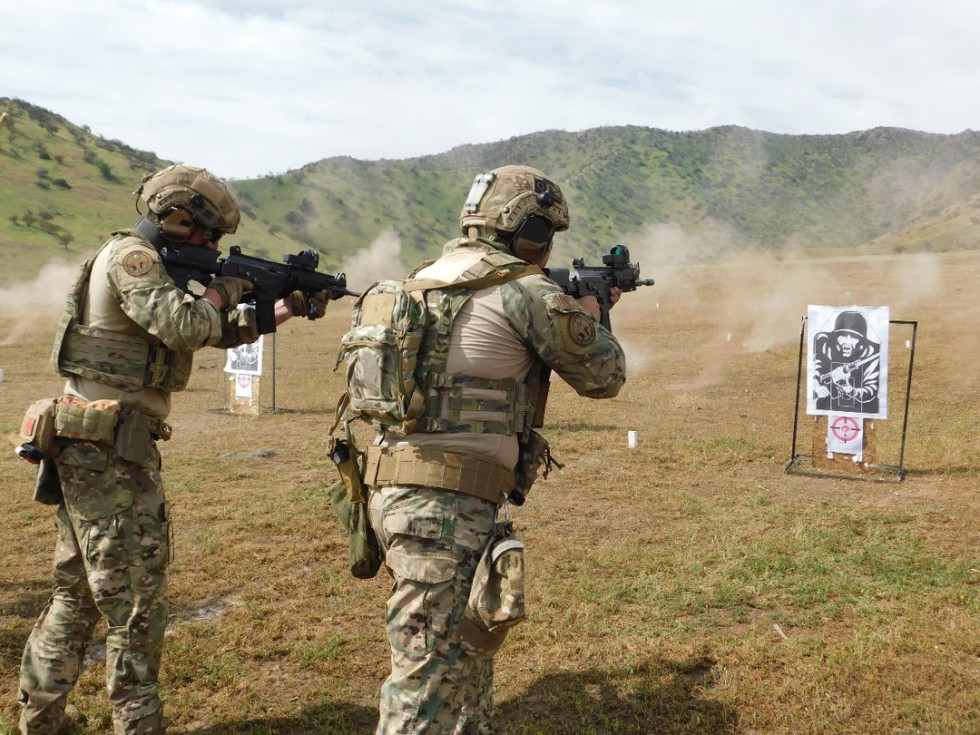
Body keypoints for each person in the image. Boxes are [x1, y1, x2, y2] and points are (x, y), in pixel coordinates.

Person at [17, 163, 327, 735]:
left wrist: (281, 306)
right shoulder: (132, 258)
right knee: (136, 604)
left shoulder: (154, 267)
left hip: (97, 443)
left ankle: (42, 722)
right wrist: (227, 286)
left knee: (81, 594)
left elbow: (209, 330)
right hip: (107, 449)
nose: (212, 245)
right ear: (179, 218)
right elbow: (185, 324)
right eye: (208, 234)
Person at [362, 164, 626, 733]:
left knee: (464, 658)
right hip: (444, 506)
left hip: (396, 490)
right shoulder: (526, 291)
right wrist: (594, 317)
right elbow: (605, 376)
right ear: (529, 230)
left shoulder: (422, 278)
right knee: (424, 683)